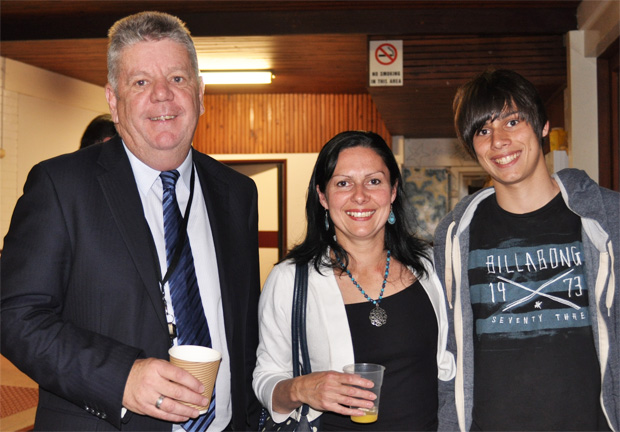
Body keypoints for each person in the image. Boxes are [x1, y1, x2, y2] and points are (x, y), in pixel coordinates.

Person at [1, 11, 261, 431]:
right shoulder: (61, 185)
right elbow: (15, 315)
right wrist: (120, 377)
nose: (162, 95)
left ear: (199, 93)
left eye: (177, 78)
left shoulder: (237, 193)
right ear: (113, 100)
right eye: (140, 82)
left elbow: (243, 327)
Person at [434, 69, 619, 431]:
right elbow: (449, 351)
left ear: (543, 126)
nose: (499, 141)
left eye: (512, 121)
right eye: (483, 131)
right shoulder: (455, 234)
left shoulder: (608, 218)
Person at [253, 130, 456, 431]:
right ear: (323, 196)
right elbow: (265, 377)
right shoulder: (290, 279)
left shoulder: (431, 266)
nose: (360, 196)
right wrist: (300, 389)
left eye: (374, 181)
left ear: (393, 191)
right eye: (343, 183)